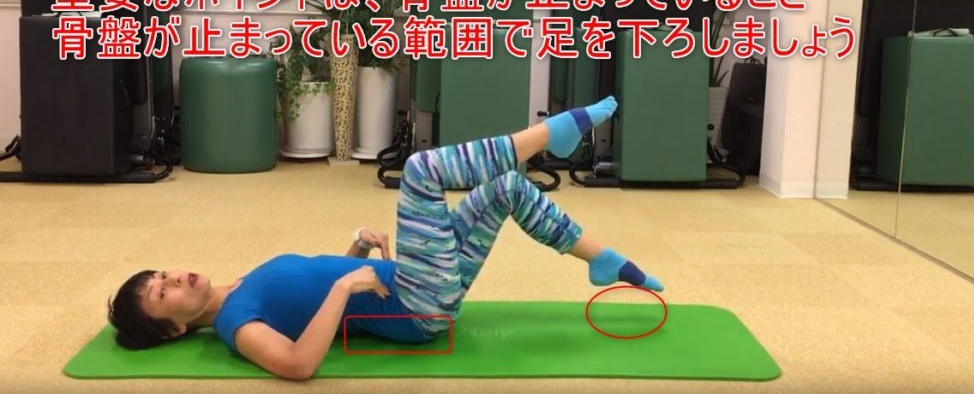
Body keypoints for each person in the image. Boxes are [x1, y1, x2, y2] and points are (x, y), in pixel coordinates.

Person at [108, 96, 663, 380]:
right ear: (174, 329)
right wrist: (345, 286)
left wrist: (355, 249)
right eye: (163, 293)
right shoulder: (235, 324)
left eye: (162, 273)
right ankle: (547, 135)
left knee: (508, 189)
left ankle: (602, 260)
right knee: (420, 171)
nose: (173, 277)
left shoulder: (238, 286)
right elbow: (299, 364)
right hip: (419, 305)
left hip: (416, 284)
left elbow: (318, 298)